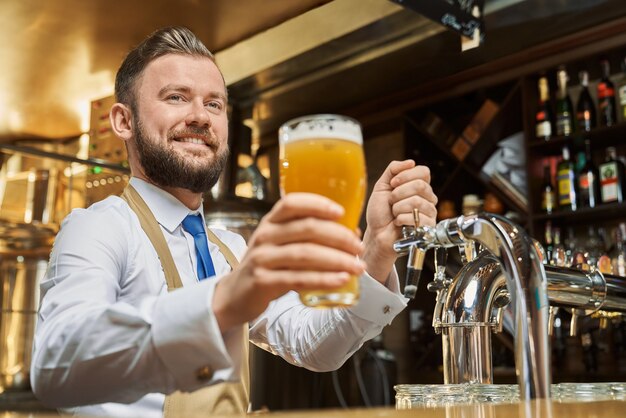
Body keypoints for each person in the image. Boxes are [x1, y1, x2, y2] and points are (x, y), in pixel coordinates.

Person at [31, 26, 438, 417]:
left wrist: (376, 251)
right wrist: (225, 299)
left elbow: (315, 347)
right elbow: (57, 364)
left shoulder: (231, 248)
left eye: (214, 104)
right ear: (124, 121)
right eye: (176, 97)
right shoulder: (99, 227)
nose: (201, 117)